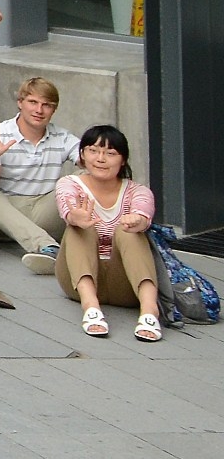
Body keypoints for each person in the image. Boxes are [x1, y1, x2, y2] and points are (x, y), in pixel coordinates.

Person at [53, 124, 161, 341]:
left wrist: (137, 220)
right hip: (78, 279)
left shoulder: (138, 191)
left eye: (110, 153)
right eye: (93, 151)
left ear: (123, 160)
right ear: (82, 154)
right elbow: (67, 208)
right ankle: (91, 307)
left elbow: (144, 215)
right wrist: (76, 218)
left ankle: (150, 311)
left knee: (128, 231)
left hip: (126, 283)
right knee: (79, 227)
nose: (100, 159)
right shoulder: (69, 184)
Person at [0, 75, 75, 275]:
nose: (39, 110)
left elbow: (90, 159)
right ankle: (48, 247)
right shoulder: (0, 134)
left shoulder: (62, 136)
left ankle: (101, 237)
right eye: (32, 102)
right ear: (20, 103)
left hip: (43, 210)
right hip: (5, 216)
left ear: (54, 110)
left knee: (83, 176)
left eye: (46, 105)